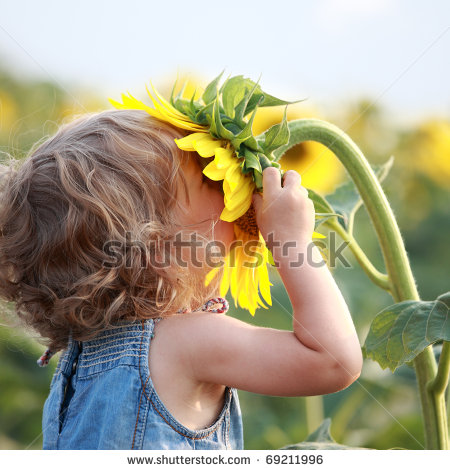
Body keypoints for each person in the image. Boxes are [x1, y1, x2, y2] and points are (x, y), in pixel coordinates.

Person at [0, 109, 362, 450]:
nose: (229, 195)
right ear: (159, 248)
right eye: (209, 181)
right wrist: (291, 240)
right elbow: (333, 361)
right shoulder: (184, 342)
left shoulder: (81, 356)